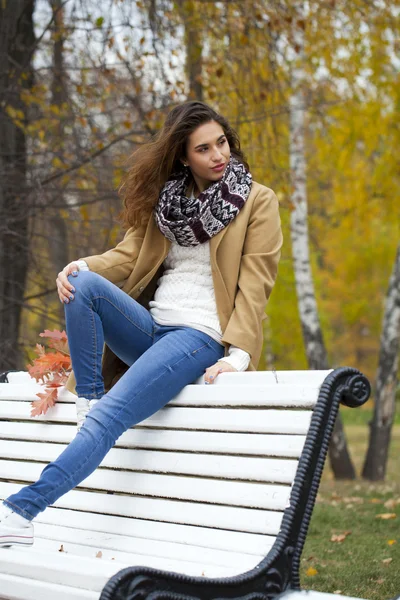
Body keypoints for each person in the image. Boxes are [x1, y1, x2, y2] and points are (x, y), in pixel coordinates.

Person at [0, 100, 283, 547]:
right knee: (84, 284)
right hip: (151, 331)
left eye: (222, 143)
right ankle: (89, 398)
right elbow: (128, 256)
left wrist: (240, 354)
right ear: (183, 157)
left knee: (110, 420)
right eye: (204, 148)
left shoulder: (257, 201)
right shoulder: (167, 203)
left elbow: (256, 280)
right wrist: (79, 264)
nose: (218, 155)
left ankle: (19, 511)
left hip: (198, 337)